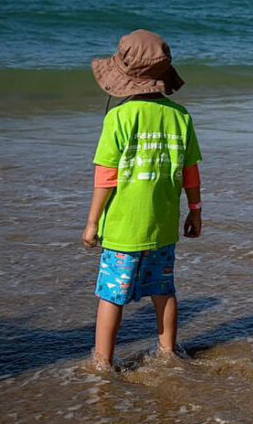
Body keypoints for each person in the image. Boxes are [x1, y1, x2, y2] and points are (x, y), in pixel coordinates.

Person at [82, 30, 202, 368]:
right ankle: (168, 352)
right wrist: (195, 212)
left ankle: (103, 362)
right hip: (162, 225)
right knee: (164, 290)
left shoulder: (118, 117)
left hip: (123, 228)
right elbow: (191, 171)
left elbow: (106, 177)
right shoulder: (181, 116)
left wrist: (92, 222)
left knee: (111, 295)